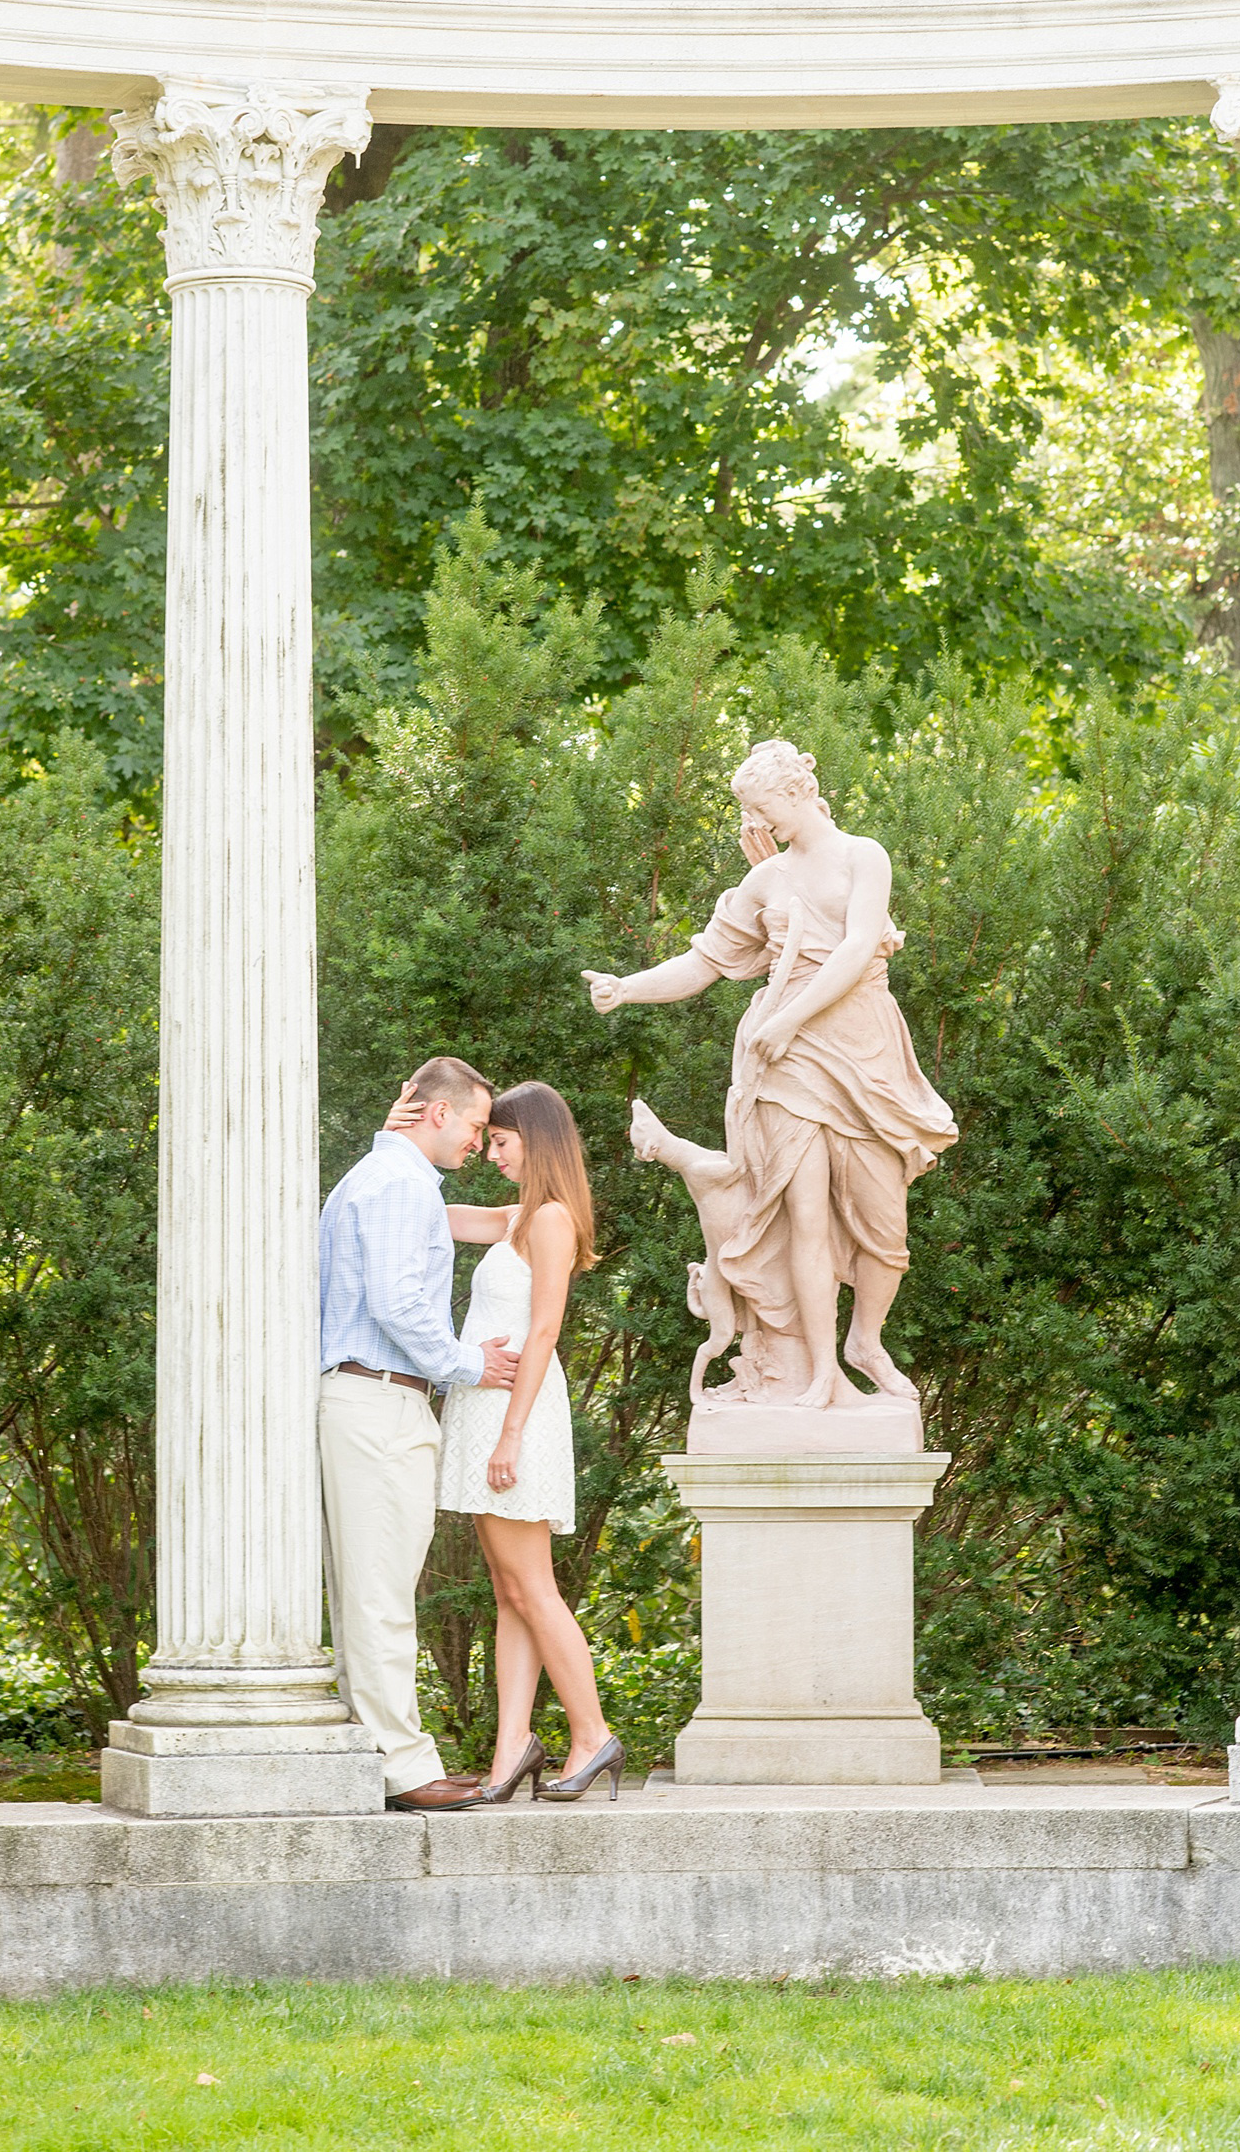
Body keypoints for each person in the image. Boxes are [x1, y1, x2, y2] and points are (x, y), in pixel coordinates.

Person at [583, 739, 957, 1410]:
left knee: (886, 1225)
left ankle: (864, 1340)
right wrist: (626, 987)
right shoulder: (765, 881)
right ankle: (821, 1373)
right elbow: (702, 964)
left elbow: (855, 949)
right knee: (803, 1215)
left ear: (793, 794)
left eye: (760, 808)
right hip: (783, 1065)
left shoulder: (862, 856)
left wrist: (789, 1019)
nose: (757, 824)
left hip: (860, 1049)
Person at [387, 1076, 624, 1804]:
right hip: (491, 1413)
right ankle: (512, 1747)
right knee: (511, 1591)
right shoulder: (519, 1216)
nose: (489, 1151)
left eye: (501, 1140)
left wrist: (512, 1437)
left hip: (517, 1417)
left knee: (533, 1588)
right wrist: (397, 1138)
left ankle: (591, 1735)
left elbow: (544, 1331)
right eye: (485, 1139)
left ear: (537, 1142)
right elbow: (426, 1207)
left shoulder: (549, 1220)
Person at [317, 1054, 519, 1813]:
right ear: (437, 1114)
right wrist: (469, 1364)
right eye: (472, 1124)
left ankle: (379, 1757)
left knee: (374, 1591)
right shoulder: (400, 1183)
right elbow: (399, 1302)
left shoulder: (379, 1176)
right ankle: (403, 1769)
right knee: (380, 1596)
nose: (476, 1141)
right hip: (380, 1400)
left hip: (371, 1401)